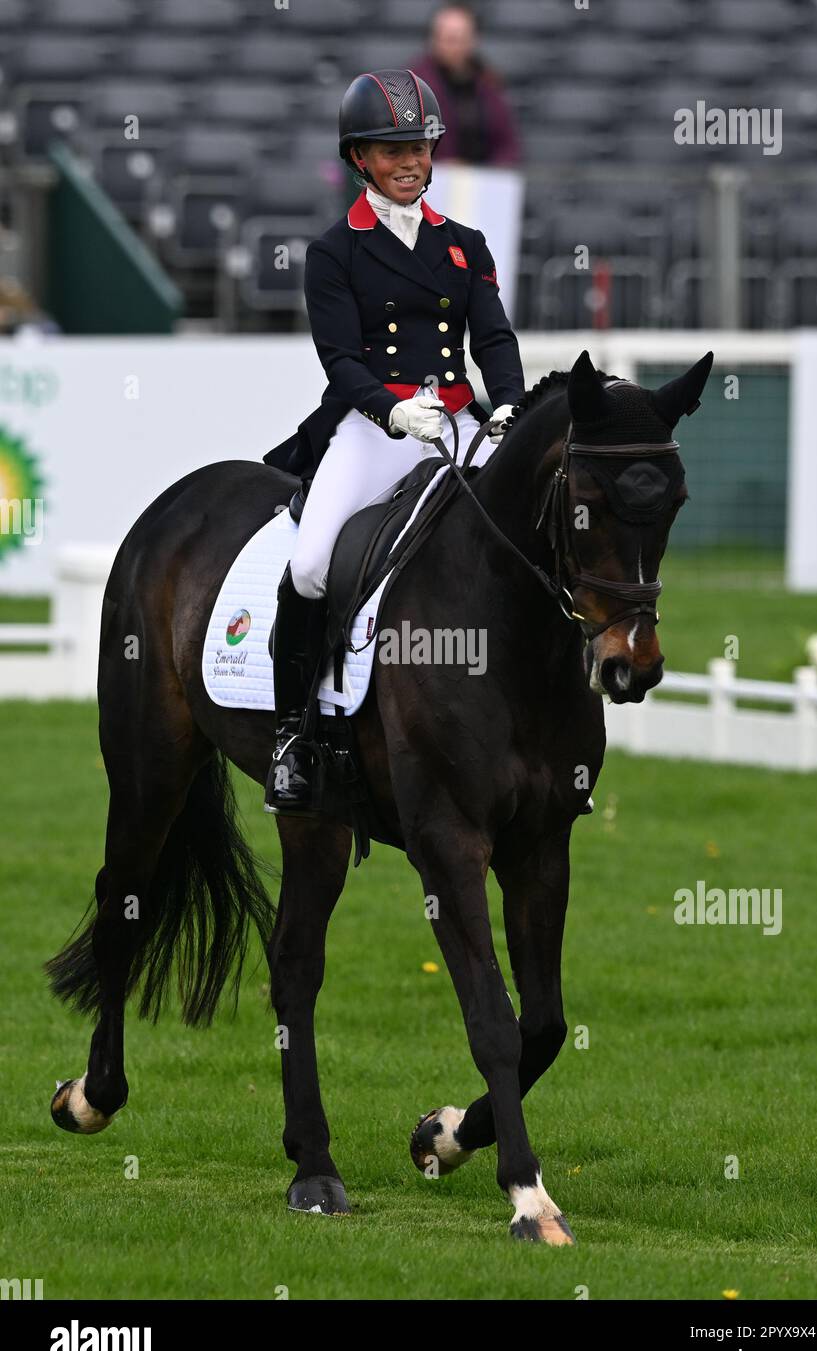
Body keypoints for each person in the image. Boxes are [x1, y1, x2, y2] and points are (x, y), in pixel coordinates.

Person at [263, 67, 525, 815]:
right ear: (359, 159)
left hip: (457, 422)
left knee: (522, 534)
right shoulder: (334, 252)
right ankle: (294, 734)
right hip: (377, 427)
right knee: (312, 565)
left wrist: (505, 405)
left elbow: (494, 338)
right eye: (391, 150)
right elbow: (341, 362)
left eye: (419, 146)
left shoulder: (464, 244)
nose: (410, 162)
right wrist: (390, 412)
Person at [411, 4, 521, 167]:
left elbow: (507, 142)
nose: (456, 47)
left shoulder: (488, 82)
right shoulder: (413, 86)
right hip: (432, 180)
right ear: (434, 40)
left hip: (483, 181)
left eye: (462, 39)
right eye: (449, 39)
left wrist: (494, 169)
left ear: (473, 40)